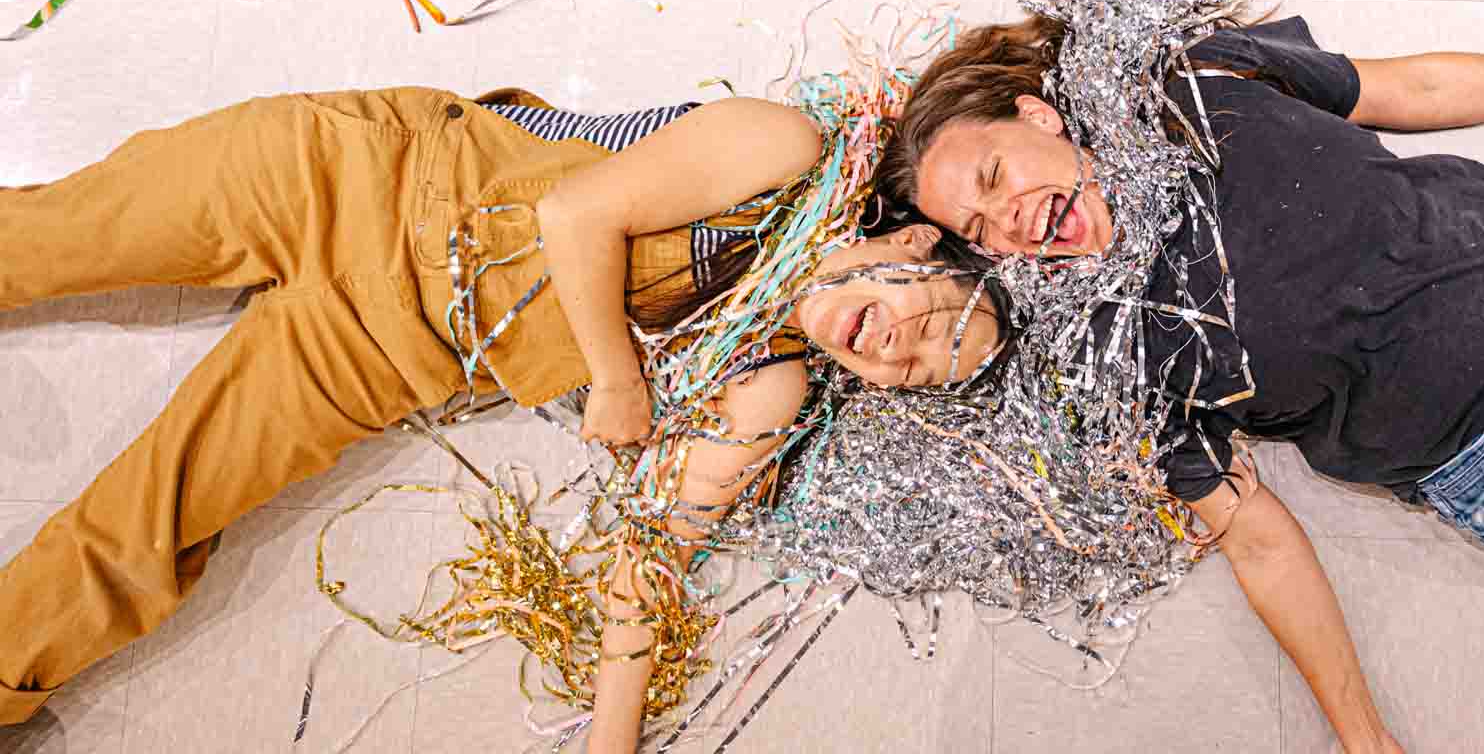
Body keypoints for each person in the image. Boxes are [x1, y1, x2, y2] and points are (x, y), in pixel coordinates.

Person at [875, 0, 1484, 754]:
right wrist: (1362, 735)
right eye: (980, 229)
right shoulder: (1107, 356)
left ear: (1039, 117)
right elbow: (1256, 539)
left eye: (994, 176)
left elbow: (1407, 87)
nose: (1009, 220)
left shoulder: (1193, 86)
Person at [0, 85, 1005, 750]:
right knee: (39, 239)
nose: (898, 349)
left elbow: (650, 553)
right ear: (912, 244)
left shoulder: (768, 386)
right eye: (936, 318)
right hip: (349, 175)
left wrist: (610, 744)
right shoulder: (787, 151)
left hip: (384, 348)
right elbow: (576, 214)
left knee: (141, 536)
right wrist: (617, 379)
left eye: (917, 373)